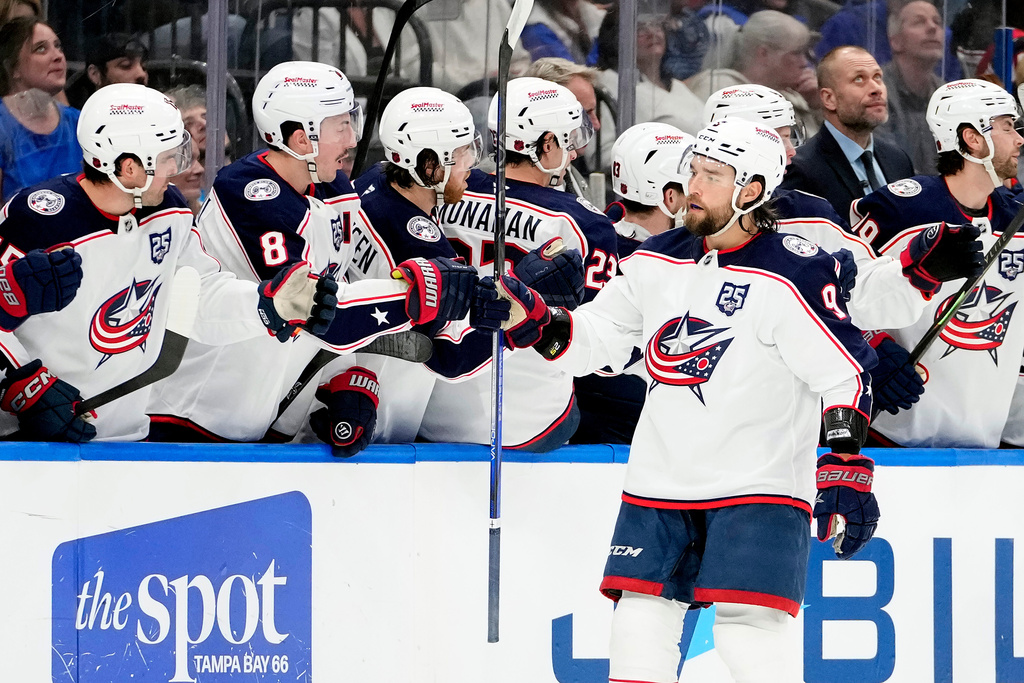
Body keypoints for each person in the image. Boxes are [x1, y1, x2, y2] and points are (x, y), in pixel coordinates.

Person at [495, 117, 879, 683]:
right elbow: (594, 341)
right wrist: (533, 319)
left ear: (752, 190)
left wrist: (845, 466)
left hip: (759, 484)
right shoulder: (656, 259)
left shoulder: (794, 271)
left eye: (712, 176)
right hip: (659, 479)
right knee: (637, 624)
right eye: (694, 170)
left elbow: (844, 376)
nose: (693, 186)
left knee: (747, 637)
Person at [147, 63, 492, 448]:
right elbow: (314, 310)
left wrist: (348, 381)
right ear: (299, 139)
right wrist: (413, 295)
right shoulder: (251, 196)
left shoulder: (332, 187)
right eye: (341, 126)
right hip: (189, 416)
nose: (352, 139)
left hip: (257, 416)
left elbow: (336, 285)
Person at [0, 83, 336, 442]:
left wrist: (266, 305)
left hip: (126, 437)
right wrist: (24, 384)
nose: (181, 168)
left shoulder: (169, 211)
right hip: (31, 439)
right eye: (167, 158)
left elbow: (202, 295)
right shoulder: (36, 218)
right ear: (129, 168)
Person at [421, 76, 617, 451]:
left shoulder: (446, 191)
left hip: (430, 406)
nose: (574, 153)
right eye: (567, 140)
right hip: (528, 422)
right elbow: (598, 347)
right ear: (545, 144)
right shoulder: (584, 224)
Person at [849, 78, 1023, 448]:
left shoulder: (1017, 219)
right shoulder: (898, 210)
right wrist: (870, 348)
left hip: (987, 441)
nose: (1019, 138)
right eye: (1007, 127)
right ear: (972, 138)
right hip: (896, 436)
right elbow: (831, 297)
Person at [571, 122, 692, 445]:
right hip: (634, 414)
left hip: (580, 402)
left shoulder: (591, 234)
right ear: (669, 196)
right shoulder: (665, 262)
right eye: (691, 186)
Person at [780, 46, 915, 222]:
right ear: (829, 99)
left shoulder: (898, 160)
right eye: (859, 79)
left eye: (877, 77)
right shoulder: (802, 170)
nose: (876, 89)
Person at [686, 11, 821, 140]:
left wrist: (818, 106)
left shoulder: (799, 96)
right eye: (796, 53)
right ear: (764, 53)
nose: (804, 63)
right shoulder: (720, 90)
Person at [0, 17, 81, 201]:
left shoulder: (79, 122)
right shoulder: (2, 127)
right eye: (41, 48)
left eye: (58, 46)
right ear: (12, 68)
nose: (58, 56)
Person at [876, 0, 946, 174]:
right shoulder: (876, 92)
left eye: (937, 22)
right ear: (896, 41)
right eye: (919, 22)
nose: (932, 28)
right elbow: (887, 165)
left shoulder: (948, 95)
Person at [67, 33, 149, 110]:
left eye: (143, 67)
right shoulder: (77, 121)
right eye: (126, 65)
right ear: (95, 74)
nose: (141, 74)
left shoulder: (157, 113)